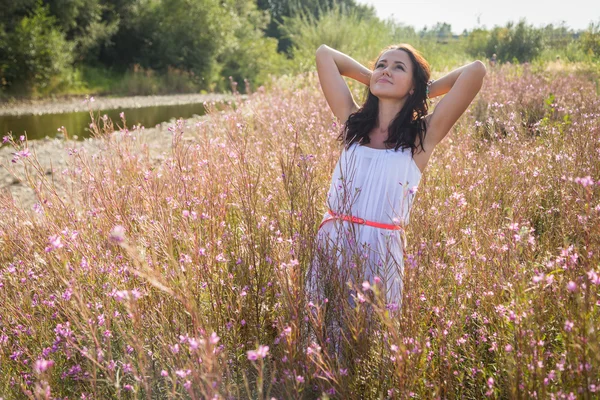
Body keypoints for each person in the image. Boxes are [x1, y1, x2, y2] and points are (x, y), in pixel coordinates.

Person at [305, 43, 486, 354]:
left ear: (415, 85)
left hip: (382, 252)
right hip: (333, 244)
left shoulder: (421, 138)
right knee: (322, 342)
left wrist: (416, 92)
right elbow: (324, 54)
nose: (386, 69)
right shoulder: (352, 125)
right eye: (381, 64)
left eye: (398, 67)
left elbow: (475, 71)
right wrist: (378, 80)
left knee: (369, 347)